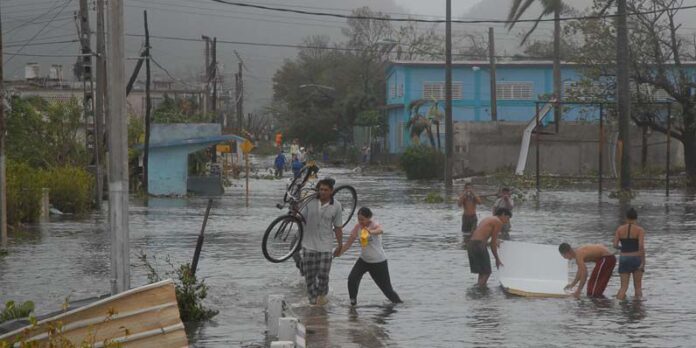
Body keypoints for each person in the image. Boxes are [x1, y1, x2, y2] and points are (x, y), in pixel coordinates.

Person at [339, 207, 402, 306]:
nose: (360, 222)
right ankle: (353, 304)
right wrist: (338, 253)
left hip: (378, 262)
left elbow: (380, 230)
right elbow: (348, 244)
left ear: (369, 218)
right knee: (352, 278)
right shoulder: (358, 227)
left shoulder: (374, 224)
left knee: (387, 290)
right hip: (364, 260)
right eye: (359, 219)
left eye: (362, 219)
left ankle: (400, 305)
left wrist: (370, 232)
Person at [299, 178, 343, 305]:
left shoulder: (337, 205)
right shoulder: (310, 201)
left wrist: (340, 245)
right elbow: (300, 217)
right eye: (321, 189)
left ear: (331, 191)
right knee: (309, 277)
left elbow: (338, 227)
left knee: (324, 274)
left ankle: (322, 295)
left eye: (326, 190)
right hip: (308, 244)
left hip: (326, 245)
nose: (322, 192)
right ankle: (313, 303)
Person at [467, 208, 511, 287]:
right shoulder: (498, 222)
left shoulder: (489, 219)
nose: (507, 221)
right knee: (487, 272)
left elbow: (482, 235)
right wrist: (497, 259)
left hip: (471, 244)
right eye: (507, 218)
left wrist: (495, 240)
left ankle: (478, 293)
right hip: (479, 245)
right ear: (503, 214)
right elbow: (492, 244)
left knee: (482, 272)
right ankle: (481, 292)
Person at [612, 208, 645, 300]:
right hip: (636, 258)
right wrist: (643, 262)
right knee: (638, 287)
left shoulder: (620, 229)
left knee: (623, 287)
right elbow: (641, 246)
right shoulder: (640, 230)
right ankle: (638, 309)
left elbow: (615, 245)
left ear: (626, 218)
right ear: (636, 218)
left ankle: (618, 306)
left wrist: (622, 248)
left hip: (624, 258)